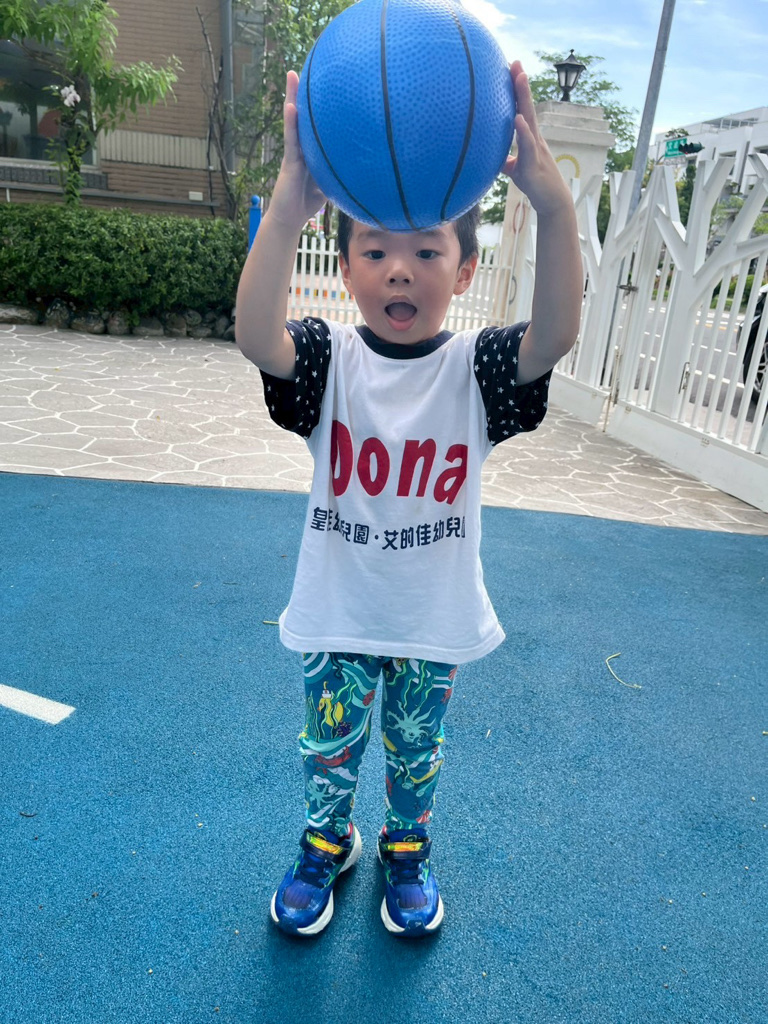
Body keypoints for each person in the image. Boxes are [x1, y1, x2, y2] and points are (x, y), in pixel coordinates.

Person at [235, 61, 582, 938]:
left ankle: (405, 848)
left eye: (427, 251)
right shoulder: (327, 360)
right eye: (376, 252)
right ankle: (328, 842)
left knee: (416, 750)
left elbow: (555, 334)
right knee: (328, 747)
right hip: (338, 610)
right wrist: (288, 210)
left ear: (463, 272)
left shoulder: (477, 370)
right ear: (347, 270)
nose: (400, 270)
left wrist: (554, 209)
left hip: (431, 616)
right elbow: (254, 337)